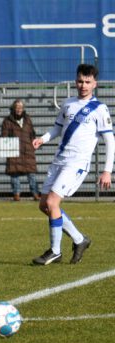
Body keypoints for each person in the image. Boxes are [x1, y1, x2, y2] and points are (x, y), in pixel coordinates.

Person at [31, 63, 114, 265]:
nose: (83, 85)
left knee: (52, 203)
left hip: (76, 164)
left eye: (87, 82)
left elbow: (110, 140)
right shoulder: (68, 104)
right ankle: (79, 239)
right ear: (75, 81)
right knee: (44, 206)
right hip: (59, 160)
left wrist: (107, 171)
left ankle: (55, 251)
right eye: (80, 81)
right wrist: (42, 138)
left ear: (94, 83)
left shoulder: (99, 109)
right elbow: (57, 129)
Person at [1, 99, 38, 201]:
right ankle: (16, 194)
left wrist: (32, 145)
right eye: (17, 107)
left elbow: (32, 134)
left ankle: (35, 194)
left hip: (28, 151)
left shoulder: (28, 119)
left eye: (21, 107)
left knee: (32, 174)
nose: (19, 109)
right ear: (13, 108)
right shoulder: (7, 121)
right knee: (14, 174)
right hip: (14, 150)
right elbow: (4, 136)